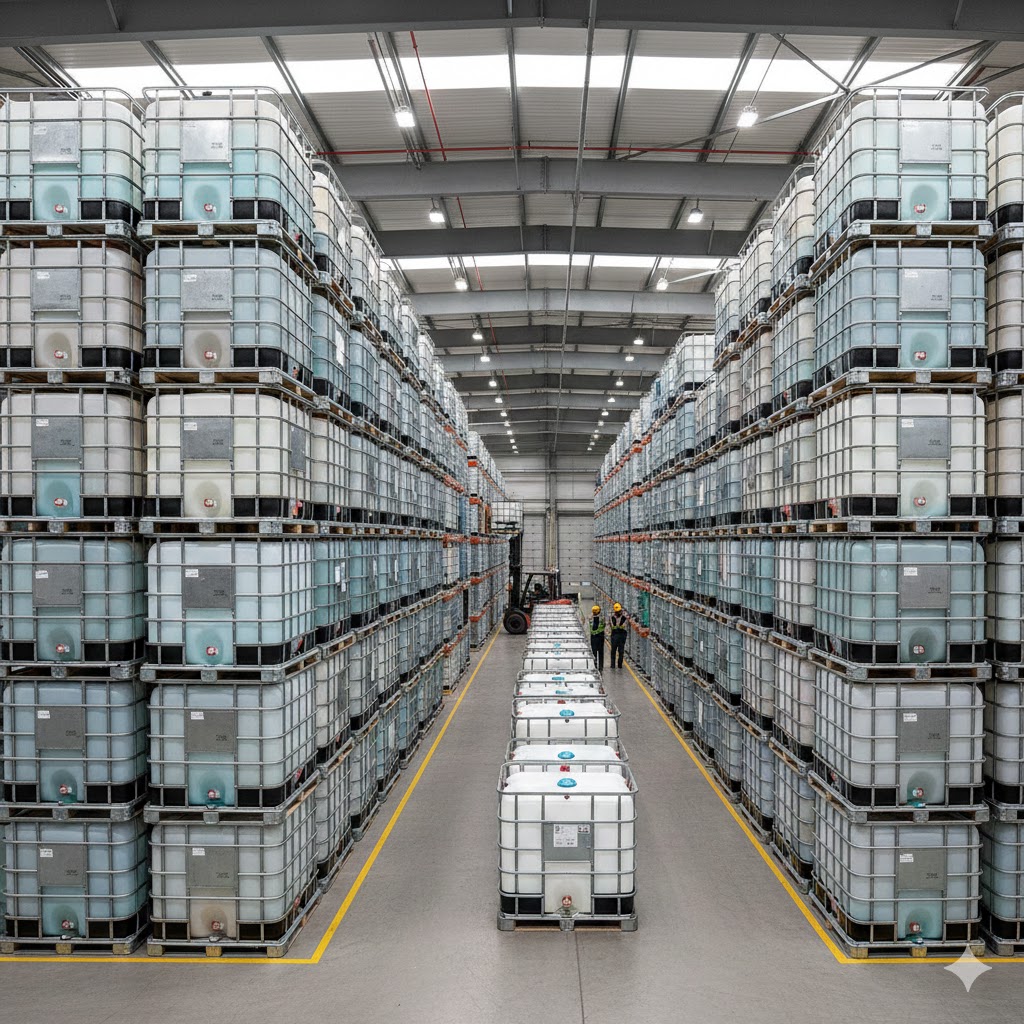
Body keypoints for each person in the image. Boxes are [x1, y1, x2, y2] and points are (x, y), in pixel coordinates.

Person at [609, 602, 628, 669]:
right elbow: (612, 626)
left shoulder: (624, 617)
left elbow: (624, 626)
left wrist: (618, 627)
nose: (618, 613)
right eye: (617, 612)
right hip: (615, 635)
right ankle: (613, 665)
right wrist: (618, 627)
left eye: (619, 611)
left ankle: (620, 664)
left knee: (621, 651)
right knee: (613, 651)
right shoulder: (612, 617)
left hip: (621, 636)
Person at [589, 604, 606, 671]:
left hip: (593, 637)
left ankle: (595, 665)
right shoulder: (602, 619)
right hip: (600, 636)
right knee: (601, 652)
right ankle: (601, 666)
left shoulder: (590, 618)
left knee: (594, 652)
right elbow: (605, 625)